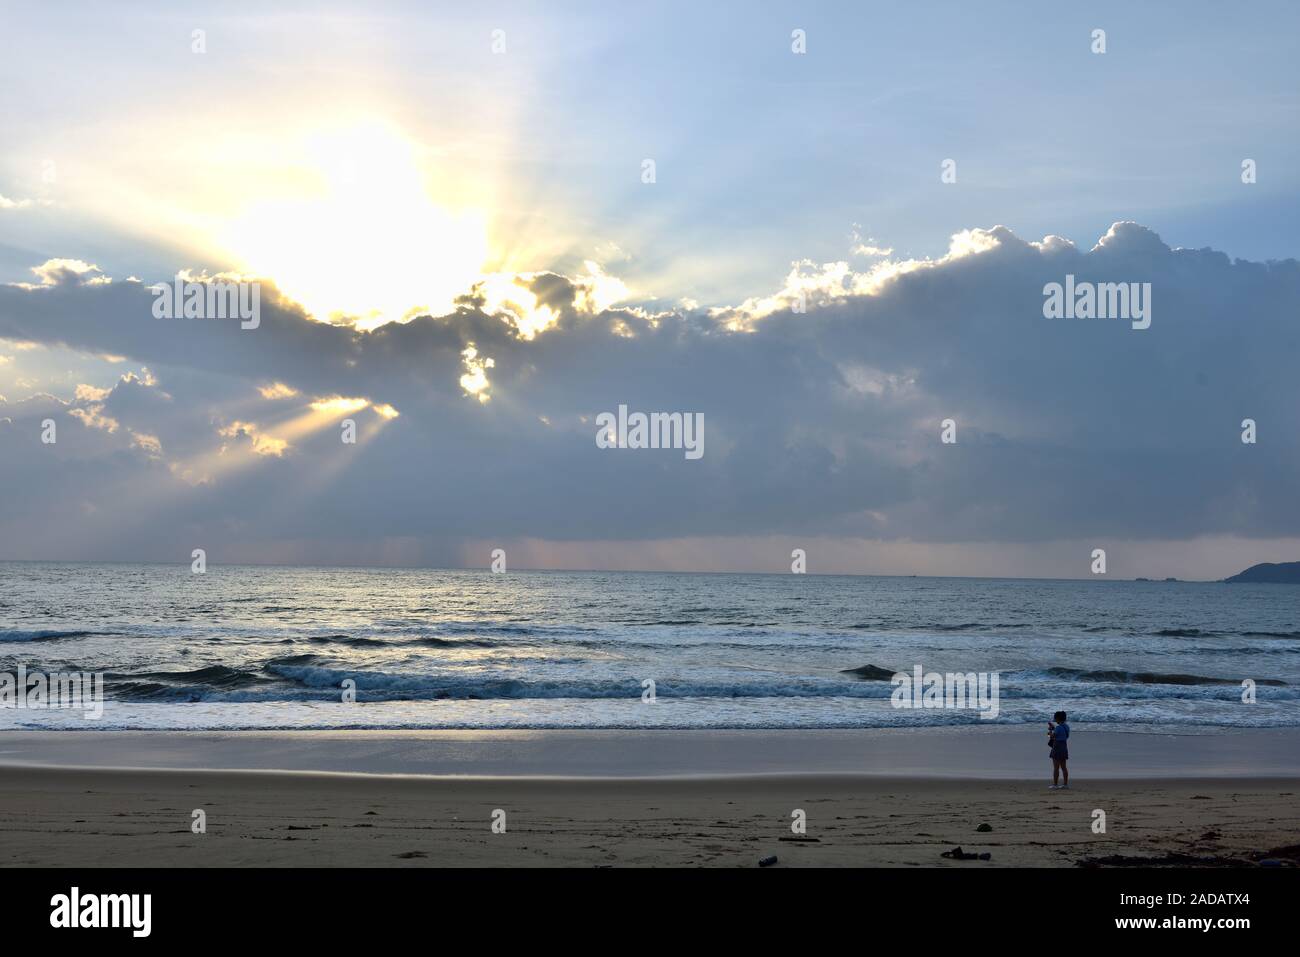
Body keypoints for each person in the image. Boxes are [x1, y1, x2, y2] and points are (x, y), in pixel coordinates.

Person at [1048, 710, 1070, 789]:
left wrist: (1050, 730)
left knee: (1056, 767)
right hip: (1064, 746)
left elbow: (1051, 737)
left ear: (1057, 719)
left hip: (1057, 747)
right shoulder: (1066, 727)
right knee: (1064, 767)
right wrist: (1054, 728)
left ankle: (1055, 784)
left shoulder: (1058, 728)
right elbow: (1062, 735)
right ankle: (1065, 784)